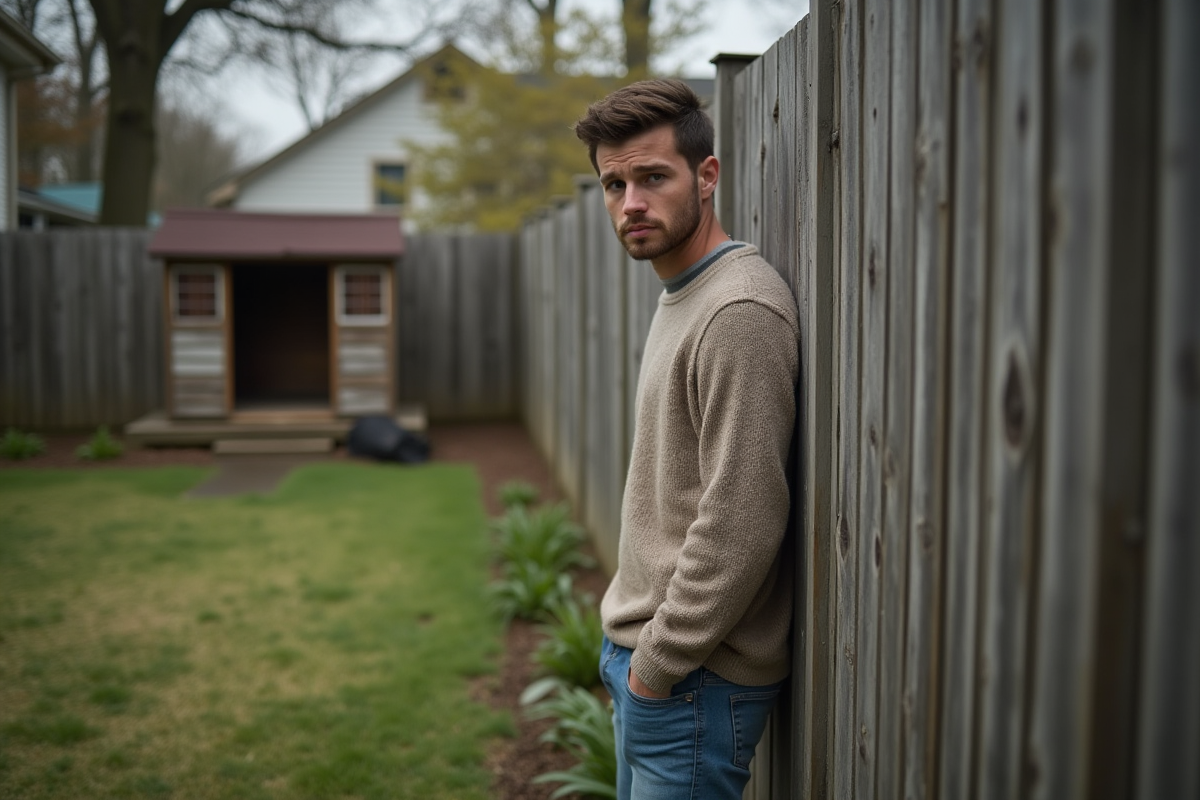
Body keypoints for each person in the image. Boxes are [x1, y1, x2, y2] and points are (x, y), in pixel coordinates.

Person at [574, 79, 800, 799]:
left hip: (691, 681)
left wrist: (655, 667)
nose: (630, 203)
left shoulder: (737, 310)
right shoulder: (685, 292)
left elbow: (742, 519)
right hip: (654, 666)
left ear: (707, 177)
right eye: (614, 184)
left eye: (652, 177)